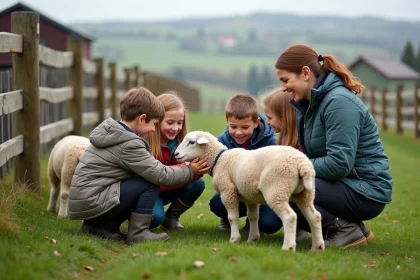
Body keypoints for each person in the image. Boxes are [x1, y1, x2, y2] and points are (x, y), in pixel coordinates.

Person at [274, 44, 392, 248]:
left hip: (367, 190)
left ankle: (342, 229)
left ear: (305, 73)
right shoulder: (311, 104)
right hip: (349, 185)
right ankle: (354, 228)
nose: (283, 87)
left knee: (283, 187)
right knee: (281, 181)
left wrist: (294, 166)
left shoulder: (338, 103)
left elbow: (339, 163)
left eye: (286, 80)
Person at [68, 87, 210, 244]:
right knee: (149, 181)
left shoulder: (116, 133)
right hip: (93, 200)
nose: (153, 129)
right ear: (142, 119)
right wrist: (190, 170)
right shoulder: (129, 144)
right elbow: (160, 174)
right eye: (154, 123)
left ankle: (99, 227)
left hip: (89, 200)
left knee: (140, 181)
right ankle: (138, 233)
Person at [208, 93, 280, 234]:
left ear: (256, 122)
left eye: (245, 127)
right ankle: (227, 218)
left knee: (269, 224)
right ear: (227, 121)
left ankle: (252, 222)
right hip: (237, 191)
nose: (239, 132)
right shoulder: (221, 143)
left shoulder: (270, 143)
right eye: (233, 127)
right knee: (217, 203)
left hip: (263, 193)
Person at [147, 92, 205, 230]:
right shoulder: (146, 143)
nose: (176, 128)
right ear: (156, 120)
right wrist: (186, 170)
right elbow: (154, 180)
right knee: (154, 219)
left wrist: (198, 169)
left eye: (180, 123)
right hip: (150, 191)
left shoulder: (181, 143)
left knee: (198, 184)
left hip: (170, 186)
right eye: (170, 122)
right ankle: (133, 215)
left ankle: (171, 218)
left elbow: (194, 172)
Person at [262, 88, 309, 241]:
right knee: (266, 222)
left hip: (294, 190)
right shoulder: (283, 139)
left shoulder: (303, 143)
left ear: (285, 116)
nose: (267, 122)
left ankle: (301, 225)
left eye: (269, 117)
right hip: (282, 189)